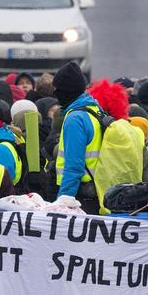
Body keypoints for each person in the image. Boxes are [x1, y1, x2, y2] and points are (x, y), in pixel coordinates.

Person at [52, 62, 105, 214]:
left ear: (66, 91)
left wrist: (64, 201)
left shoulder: (75, 119)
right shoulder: (95, 109)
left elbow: (74, 165)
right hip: (97, 191)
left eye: (57, 90)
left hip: (81, 195)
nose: (55, 94)